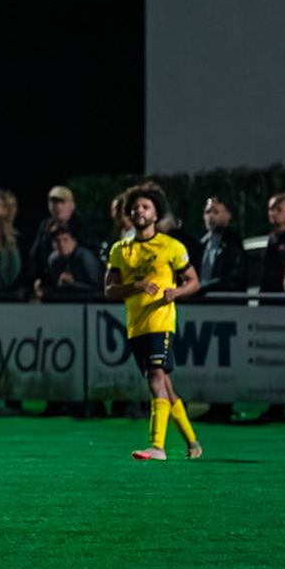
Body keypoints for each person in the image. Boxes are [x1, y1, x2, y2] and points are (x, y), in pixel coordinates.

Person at [103, 185, 204, 462]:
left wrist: (177, 292)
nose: (139, 211)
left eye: (145, 207)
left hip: (161, 322)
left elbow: (193, 281)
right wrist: (134, 286)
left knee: (155, 378)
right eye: (135, 207)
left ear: (156, 213)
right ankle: (192, 443)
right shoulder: (120, 250)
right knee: (165, 386)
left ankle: (157, 446)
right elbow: (109, 290)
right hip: (136, 325)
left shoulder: (171, 246)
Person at [27, 186, 93, 287]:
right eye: (53, 203)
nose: (57, 207)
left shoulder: (80, 227)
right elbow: (35, 255)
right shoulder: (45, 226)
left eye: (62, 202)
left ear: (72, 205)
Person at [195, 198, 248, 296]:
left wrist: (202, 288)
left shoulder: (233, 243)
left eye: (216, 212)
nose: (210, 216)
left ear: (228, 215)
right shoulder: (201, 243)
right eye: (207, 212)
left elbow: (232, 279)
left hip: (223, 302)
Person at [35, 226, 101, 300]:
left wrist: (75, 281)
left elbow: (96, 285)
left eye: (65, 240)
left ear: (73, 241)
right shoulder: (53, 259)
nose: (61, 244)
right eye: (57, 241)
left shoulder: (84, 256)